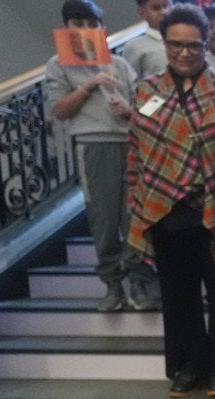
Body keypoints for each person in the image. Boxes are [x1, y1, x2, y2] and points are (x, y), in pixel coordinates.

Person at [126, 4, 215, 398]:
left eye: (193, 45)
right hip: (165, 211)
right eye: (176, 45)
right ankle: (189, 366)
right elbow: (135, 154)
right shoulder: (146, 91)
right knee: (177, 295)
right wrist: (136, 206)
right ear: (164, 44)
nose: (184, 53)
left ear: (205, 44)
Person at [45, 0, 159, 312]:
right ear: (66, 27)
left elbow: (148, 106)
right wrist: (89, 85)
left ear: (101, 27)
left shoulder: (119, 63)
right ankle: (112, 284)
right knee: (104, 219)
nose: (85, 29)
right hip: (93, 145)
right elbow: (60, 110)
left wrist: (130, 112)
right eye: (77, 23)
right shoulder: (58, 64)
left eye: (91, 23)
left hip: (130, 144)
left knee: (135, 217)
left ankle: (139, 280)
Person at [123, 0, 173, 80]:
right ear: (142, 13)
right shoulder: (135, 47)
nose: (164, 12)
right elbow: (133, 84)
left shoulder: (188, 36)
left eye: (167, 6)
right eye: (156, 8)